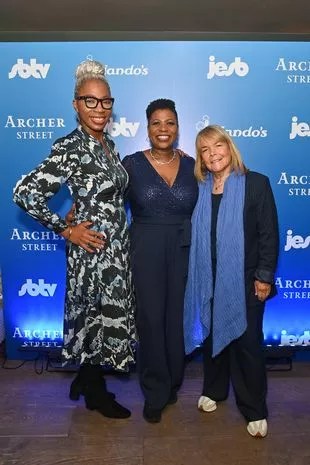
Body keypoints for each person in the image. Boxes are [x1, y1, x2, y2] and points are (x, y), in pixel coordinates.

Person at [13, 59, 136, 419]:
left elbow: (99, 194)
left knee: (97, 315)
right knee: (95, 318)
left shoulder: (108, 144)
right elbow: (25, 193)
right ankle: (96, 394)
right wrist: (67, 228)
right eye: (90, 101)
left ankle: (85, 378)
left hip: (116, 249)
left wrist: (77, 208)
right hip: (93, 251)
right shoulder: (69, 146)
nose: (99, 109)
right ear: (75, 104)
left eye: (105, 101)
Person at [184, 125, 279, 438]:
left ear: (230, 146)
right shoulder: (199, 187)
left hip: (246, 281)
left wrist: (264, 277)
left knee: (248, 344)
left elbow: (268, 235)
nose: (213, 155)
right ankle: (214, 390)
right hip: (208, 279)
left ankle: (254, 408)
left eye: (218, 146)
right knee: (213, 339)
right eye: (205, 150)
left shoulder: (256, 183)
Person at [122, 99, 198, 423]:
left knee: (176, 317)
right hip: (145, 246)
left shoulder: (193, 165)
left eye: (170, 123)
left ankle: (173, 379)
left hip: (184, 247)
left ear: (178, 127)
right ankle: (154, 390)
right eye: (156, 123)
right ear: (147, 127)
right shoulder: (131, 164)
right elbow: (106, 202)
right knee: (151, 319)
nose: (163, 129)